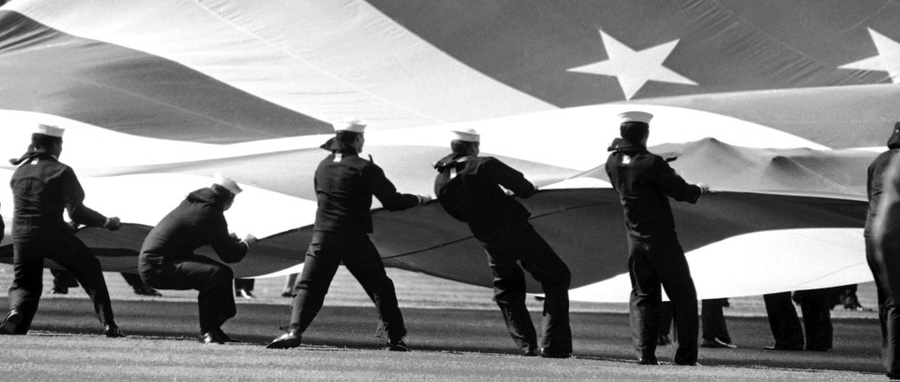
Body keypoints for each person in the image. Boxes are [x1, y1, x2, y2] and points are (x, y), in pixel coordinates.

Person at [266, 119, 429, 350]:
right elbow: (392, 201)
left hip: (322, 236)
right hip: (353, 237)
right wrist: (419, 199)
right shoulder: (365, 167)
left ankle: (293, 331)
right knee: (380, 287)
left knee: (309, 287)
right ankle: (394, 337)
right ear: (357, 139)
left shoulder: (323, 166)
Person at [433, 128, 572, 358]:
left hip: (488, 238)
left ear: (453, 147)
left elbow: (455, 213)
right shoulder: (485, 165)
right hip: (517, 232)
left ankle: (527, 345)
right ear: (474, 147)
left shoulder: (441, 179)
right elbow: (524, 188)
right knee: (557, 276)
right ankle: (554, 345)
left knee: (508, 291)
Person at [605, 111, 709, 366]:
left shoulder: (612, 162)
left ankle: (644, 354)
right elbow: (682, 192)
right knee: (683, 297)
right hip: (662, 243)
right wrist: (700, 189)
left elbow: (631, 169)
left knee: (644, 299)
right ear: (646, 134)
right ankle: (685, 357)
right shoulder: (652, 163)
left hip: (635, 244)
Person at [0, 124, 125, 337]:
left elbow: (34, 208)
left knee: (25, 284)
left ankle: (16, 315)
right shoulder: (62, 171)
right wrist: (107, 222)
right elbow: (77, 213)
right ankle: (109, 324)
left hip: (22, 236)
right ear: (56, 145)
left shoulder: (20, 172)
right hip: (52, 234)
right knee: (90, 268)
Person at [138, 173, 256, 344]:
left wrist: (226, 238)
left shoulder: (194, 203)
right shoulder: (211, 212)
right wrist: (246, 242)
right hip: (158, 267)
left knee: (223, 273)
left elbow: (200, 231)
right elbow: (231, 255)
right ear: (229, 197)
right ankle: (208, 330)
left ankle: (215, 327)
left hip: (158, 262)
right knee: (214, 275)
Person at [867, 121, 900, 378]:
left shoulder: (878, 162)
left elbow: (872, 197)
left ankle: (890, 358)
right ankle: (895, 365)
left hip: (873, 234)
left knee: (886, 300)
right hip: (895, 234)